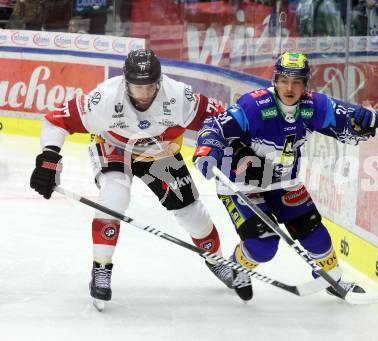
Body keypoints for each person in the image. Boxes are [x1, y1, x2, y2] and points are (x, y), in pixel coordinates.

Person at [30, 49, 234, 307]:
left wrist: (217, 144)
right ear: (125, 82)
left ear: (160, 82)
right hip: (114, 145)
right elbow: (55, 121)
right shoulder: (104, 97)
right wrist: (49, 160)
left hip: (159, 151)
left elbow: (222, 118)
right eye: (138, 87)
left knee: (191, 213)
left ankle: (216, 259)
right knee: (114, 195)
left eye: (150, 86)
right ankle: (101, 269)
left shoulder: (179, 96)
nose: (145, 94)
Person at [193, 51, 378, 301]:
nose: (289, 87)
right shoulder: (255, 106)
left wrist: (364, 121)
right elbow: (215, 126)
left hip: (282, 180)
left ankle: (331, 280)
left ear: (306, 85)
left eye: (296, 82)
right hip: (240, 182)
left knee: (316, 235)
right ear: (275, 80)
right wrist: (208, 148)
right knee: (263, 246)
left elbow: (348, 123)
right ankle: (238, 266)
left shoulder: (314, 106)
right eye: (284, 80)